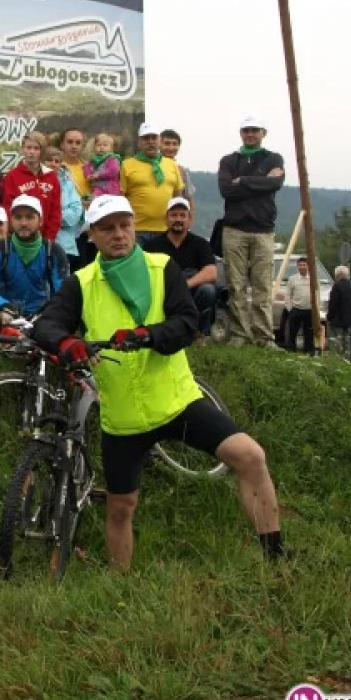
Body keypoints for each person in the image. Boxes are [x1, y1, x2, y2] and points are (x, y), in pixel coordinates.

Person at [32, 194, 286, 570]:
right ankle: (121, 585)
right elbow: (46, 325)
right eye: (107, 228)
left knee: (251, 456)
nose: (118, 234)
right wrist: (67, 343)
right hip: (124, 418)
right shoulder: (81, 283)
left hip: (177, 402)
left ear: (134, 227)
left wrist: (147, 335)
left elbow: (186, 323)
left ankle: (276, 558)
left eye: (125, 225)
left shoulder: (162, 267)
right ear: (93, 237)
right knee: (120, 509)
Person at [217, 116, 286, 348]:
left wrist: (242, 181)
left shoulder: (274, 158)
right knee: (235, 285)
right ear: (240, 133)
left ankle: (264, 337)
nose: (250, 134)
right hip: (234, 229)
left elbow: (275, 184)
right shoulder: (228, 160)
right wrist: (259, 181)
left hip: (263, 230)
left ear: (263, 133)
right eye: (246, 130)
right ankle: (239, 334)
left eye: (254, 130)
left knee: (263, 286)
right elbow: (226, 190)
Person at [0, 195, 67, 330]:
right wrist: (4, 306)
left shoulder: (53, 250)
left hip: (41, 312)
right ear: (11, 221)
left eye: (30, 217)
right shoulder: (0, 247)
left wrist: (47, 312)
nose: (23, 223)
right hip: (7, 311)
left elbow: (62, 293)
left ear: (40, 220)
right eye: (18, 217)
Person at [144, 197, 218, 338]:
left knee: (208, 290)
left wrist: (185, 284)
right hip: (164, 292)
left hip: (191, 290)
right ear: (166, 219)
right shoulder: (152, 245)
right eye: (174, 215)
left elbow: (211, 272)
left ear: (190, 219)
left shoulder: (200, 243)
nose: (178, 219)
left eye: (182, 215)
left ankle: (199, 334)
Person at [121, 122, 184, 242]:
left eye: (153, 138)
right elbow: (121, 196)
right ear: (139, 143)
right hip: (136, 230)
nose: (150, 141)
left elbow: (178, 197)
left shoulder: (171, 164)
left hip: (166, 230)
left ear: (159, 141)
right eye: (146, 138)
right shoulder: (127, 165)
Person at [2, 131, 61, 242]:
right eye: (28, 148)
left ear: (42, 151)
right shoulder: (12, 176)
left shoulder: (51, 177)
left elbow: (55, 211)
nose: (31, 152)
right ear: (22, 149)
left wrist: (48, 238)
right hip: (19, 238)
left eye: (36, 148)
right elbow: (8, 209)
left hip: (45, 239)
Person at [43, 143, 83, 264]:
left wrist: (53, 218)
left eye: (57, 161)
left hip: (65, 244)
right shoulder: (34, 181)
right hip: (40, 243)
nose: (53, 164)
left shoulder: (68, 184)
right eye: (49, 160)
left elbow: (76, 211)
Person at [284, 256, 315, 355]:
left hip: (309, 310)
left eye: (304, 265)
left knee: (309, 333)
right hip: (296, 309)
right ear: (297, 267)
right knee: (292, 332)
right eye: (300, 265)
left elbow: (317, 293)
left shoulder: (312, 278)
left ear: (308, 266)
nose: (302, 267)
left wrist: (316, 308)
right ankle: (291, 351)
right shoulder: (292, 279)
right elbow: (288, 294)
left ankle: (308, 351)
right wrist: (290, 308)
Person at [159, 128, 196, 207]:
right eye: (167, 143)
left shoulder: (181, 170)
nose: (171, 148)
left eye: (175, 144)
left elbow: (189, 198)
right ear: (159, 145)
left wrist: (190, 218)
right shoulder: (154, 167)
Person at [326, 265, 351, 357]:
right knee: (346, 342)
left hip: (337, 319)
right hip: (348, 319)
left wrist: (329, 316)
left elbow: (333, 304)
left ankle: (335, 360)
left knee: (335, 342)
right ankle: (346, 359)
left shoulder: (336, 286)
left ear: (338, 275)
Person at [84, 132, 122, 200]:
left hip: (110, 187)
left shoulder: (111, 158)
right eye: (99, 145)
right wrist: (88, 175)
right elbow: (87, 167)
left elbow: (113, 171)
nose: (101, 147)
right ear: (95, 147)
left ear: (110, 148)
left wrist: (98, 175)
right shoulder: (93, 160)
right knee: (95, 197)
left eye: (105, 145)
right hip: (98, 188)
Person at [60, 129, 91, 204]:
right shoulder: (56, 168)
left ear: (82, 146)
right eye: (70, 142)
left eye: (78, 143)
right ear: (61, 145)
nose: (74, 146)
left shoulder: (90, 167)